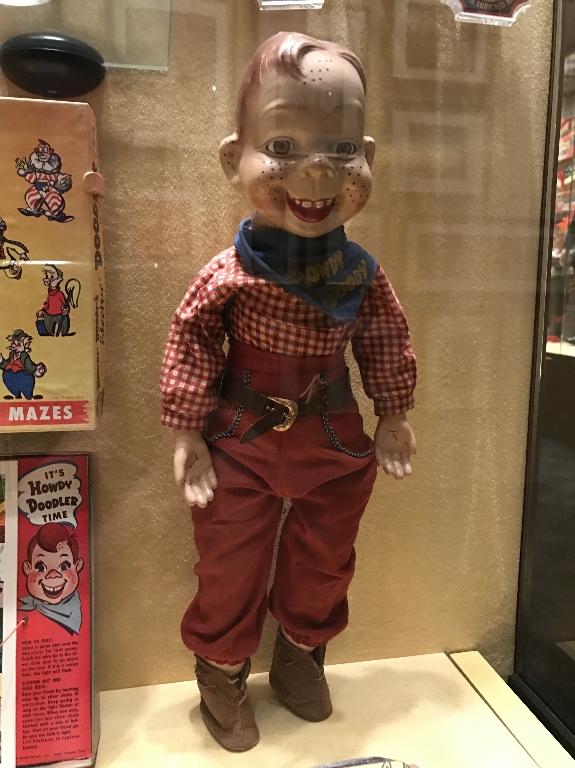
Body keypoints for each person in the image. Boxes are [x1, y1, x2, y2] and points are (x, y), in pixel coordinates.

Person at [161, 32, 417, 752]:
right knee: (227, 561)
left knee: (325, 556)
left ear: (367, 156)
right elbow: (190, 339)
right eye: (281, 146)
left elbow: (385, 338)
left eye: (341, 149)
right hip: (239, 437)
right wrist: (186, 429)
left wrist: (394, 412)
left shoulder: (360, 274)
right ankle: (221, 670)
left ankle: (302, 654)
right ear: (231, 158)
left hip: (332, 437)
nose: (317, 170)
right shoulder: (229, 273)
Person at [19, 522, 84, 635]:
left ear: (77, 566)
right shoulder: (23, 611)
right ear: (27, 568)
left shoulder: (81, 610)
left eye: (64, 566)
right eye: (41, 567)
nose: (53, 575)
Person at [0, 329, 46, 400]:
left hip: (23, 377)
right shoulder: (12, 354)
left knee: (25, 382)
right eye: (14, 343)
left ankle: (29, 396)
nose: (15, 346)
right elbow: (6, 364)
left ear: (25, 344)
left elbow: (29, 365)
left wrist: (36, 370)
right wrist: (1, 361)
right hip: (11, 377)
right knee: (7, 374)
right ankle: (16, 395)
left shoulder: (24, 356)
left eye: (18, 344)